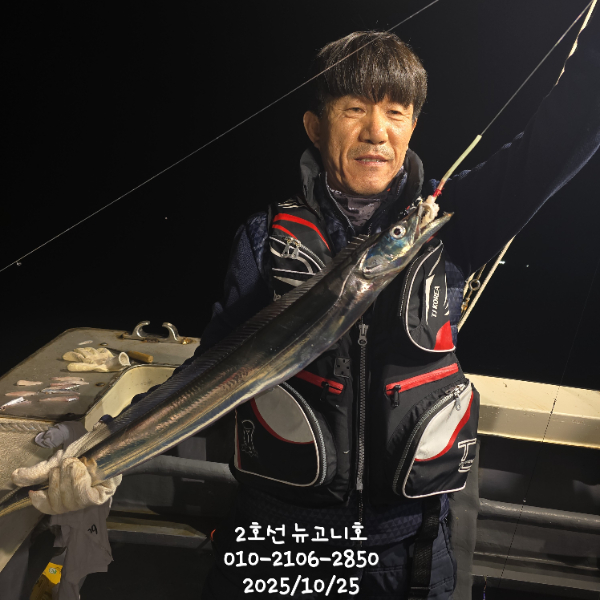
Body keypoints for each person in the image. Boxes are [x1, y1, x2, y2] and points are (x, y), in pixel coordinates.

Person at [13, 17, 600, 600]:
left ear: (413, 127)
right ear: (316, 126)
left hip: (408, 552)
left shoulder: (449, 223)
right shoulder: (264, 237)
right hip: (279, 542)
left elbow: (563, 134)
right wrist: (102, 453)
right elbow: (209, 371)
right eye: (355, 109)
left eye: (396, 112)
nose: (377, 132)